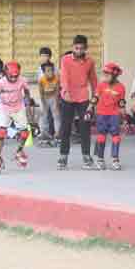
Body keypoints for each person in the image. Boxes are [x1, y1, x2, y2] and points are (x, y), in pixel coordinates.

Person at [57, 35, 99, 170]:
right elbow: (63, 77)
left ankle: (86, 156)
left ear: (85, 48)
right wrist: (65, 92)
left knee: (85, 127)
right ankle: (63, 157)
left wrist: (95, 97)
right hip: (67, 96)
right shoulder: (65, 60)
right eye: (76, 48)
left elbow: (93, 80)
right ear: (72, 47)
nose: (79, 51)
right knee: (66, 127)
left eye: (81, 48)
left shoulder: (90, 61)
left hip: (83, 97)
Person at [91, 62, 127, 170]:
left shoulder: (121, 87)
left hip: (114, 115)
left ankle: (115, 160)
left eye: (107, 75)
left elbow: (121, 103)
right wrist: (89, 109)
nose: (104, 77)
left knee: (116, 137)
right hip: (101, 114)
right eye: (104, 75)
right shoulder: (101, 85)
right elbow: (95, 98)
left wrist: (124, 118)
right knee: (101, 136)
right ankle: (100, 159)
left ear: (114, 75)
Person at [36, 61, 60, 142]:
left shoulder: (56, 79)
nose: (51, 72)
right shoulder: (41, 80)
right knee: (44, 115)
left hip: (53, 97)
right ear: (44, 72)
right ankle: (44, 132)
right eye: (48, 71)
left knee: (56, 115)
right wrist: (43, 104)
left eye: (52, 70)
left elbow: (57, 91)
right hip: (44, 98)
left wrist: (56, 103)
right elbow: (41, 92)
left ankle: (57, 133)